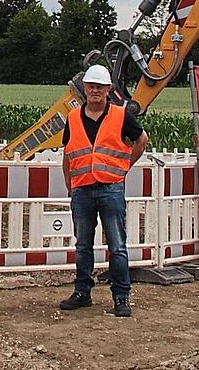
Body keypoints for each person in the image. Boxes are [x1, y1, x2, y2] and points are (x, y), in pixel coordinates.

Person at [58, 64, 148, 317]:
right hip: (83, 189)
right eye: (91, 86)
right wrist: (70, 184)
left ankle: (121, 296)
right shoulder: (74, 117)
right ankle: (82, 292)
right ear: (84, 89)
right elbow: (68, 152)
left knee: (117, 245)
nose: (95, 90)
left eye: (99, 86)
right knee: (83, 245)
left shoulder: (121, 116)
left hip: (110, 188)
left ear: (108, 89)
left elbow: (142, 139)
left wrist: (124, 167)